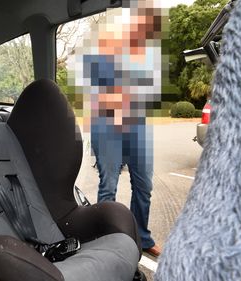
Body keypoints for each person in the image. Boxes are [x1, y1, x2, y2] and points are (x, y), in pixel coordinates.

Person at [78, 0, 162, 256]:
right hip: (106, 128)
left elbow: (149, 91)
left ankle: (143, 238)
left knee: (144, 186)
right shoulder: (95, 56)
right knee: (108, 187)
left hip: (138, 127)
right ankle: (107, 239)